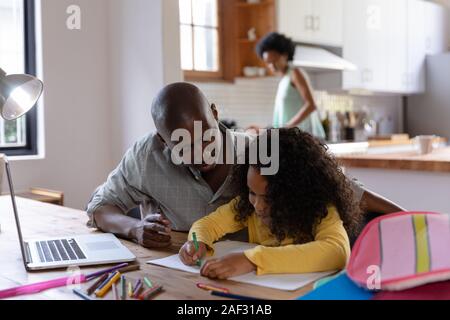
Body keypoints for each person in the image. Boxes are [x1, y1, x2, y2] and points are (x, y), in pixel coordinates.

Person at [86, 83, 405, 249]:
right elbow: (100, 207)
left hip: (255, 278)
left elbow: (347, 192)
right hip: (177, 282)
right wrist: (133, 228)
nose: (200, 155)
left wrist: (416, 224)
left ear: (214, 112)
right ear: (163, 140)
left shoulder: (260, 151)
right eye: (183, 146)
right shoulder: (146, 155)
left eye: (206, 138)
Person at [179, 128, 361, 279]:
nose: (257, 206)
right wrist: (197, 242)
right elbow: (207, 224)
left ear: (297, 192)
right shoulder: (246, 206)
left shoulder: (321, 209)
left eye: (269, 197)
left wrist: (251, 260)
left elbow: (336, 252)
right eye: (252, 192)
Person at [251, 32, 325, 139]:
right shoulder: (283, 81)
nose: (272, 66)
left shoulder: (295, 73)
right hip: (294, 138)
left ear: (285, 55)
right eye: (268, 62)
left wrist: (286, 128)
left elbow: (311, 104)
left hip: (306, 139)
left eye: (274, 61)